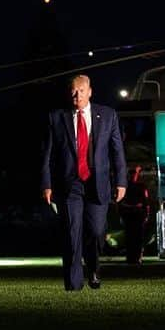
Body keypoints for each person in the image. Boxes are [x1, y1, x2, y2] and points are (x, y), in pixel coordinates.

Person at [41, 74, 127, 290]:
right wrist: (46, 184)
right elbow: (47, 155)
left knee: (97, 231)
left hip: (98, 184)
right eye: (72, 90)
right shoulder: (57, 117)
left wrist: (121, 181)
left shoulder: (108, 115)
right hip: (70, 185)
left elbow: (117, 151)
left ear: (90, 92)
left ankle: (94, 269)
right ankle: (73, 284)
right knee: (72, 233)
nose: (76, 94)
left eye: (80, 90)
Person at [118, 164, 151, 264]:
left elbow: (146, 202)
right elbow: (121, 202)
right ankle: (131, 257)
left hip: (137, 215)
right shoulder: (127, 187)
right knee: (130, 237)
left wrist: (146, 214)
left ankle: (137, 257)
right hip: (130, 215)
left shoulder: (141, 187)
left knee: (137, 237)